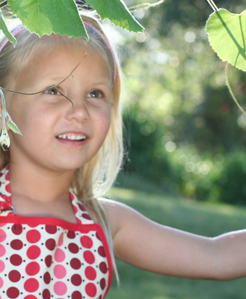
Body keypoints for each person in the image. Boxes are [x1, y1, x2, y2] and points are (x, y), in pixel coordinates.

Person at [0, 11, 245, 299]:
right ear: (3, 107)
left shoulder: (104, 221)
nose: (79, 111)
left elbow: (216, 255)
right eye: (53, 90)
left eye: (95, 94)